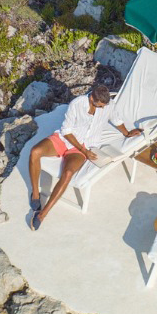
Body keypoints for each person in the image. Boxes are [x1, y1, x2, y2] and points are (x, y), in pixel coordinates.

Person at [27, 82, 142, 230]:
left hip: (84, 146)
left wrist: (127, 133)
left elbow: (116, 119)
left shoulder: (108, 105)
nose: (103, 108)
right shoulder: (77, 104)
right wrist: (84, 150)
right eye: (100, 106)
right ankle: (35, 194)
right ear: (92, 98)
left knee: (68, 173)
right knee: (35, 152)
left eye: (104, 106)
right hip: (66, 139)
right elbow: (66, 131)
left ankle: (42, 214)